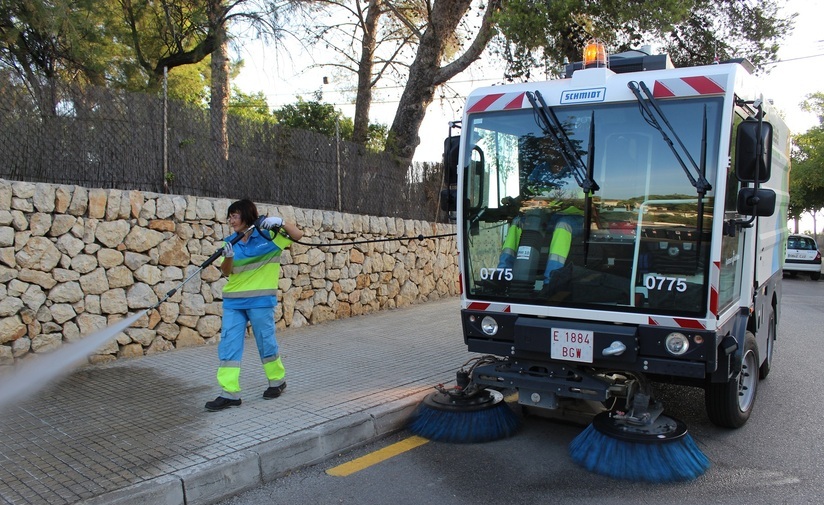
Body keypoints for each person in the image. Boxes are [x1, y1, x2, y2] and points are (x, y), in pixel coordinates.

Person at [205, 199, 304, 412]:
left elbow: (298, 236)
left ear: (247, 215)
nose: (231, 220)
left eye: (234, 216)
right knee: (228, 345)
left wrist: (279, 222)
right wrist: (228, 256)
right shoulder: (231, 241)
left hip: (260, 301)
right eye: (229, 217)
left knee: (265, 342)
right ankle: (229, 393)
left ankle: (277, 381)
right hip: (233, 302)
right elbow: (226, 271)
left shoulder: (269, 236)